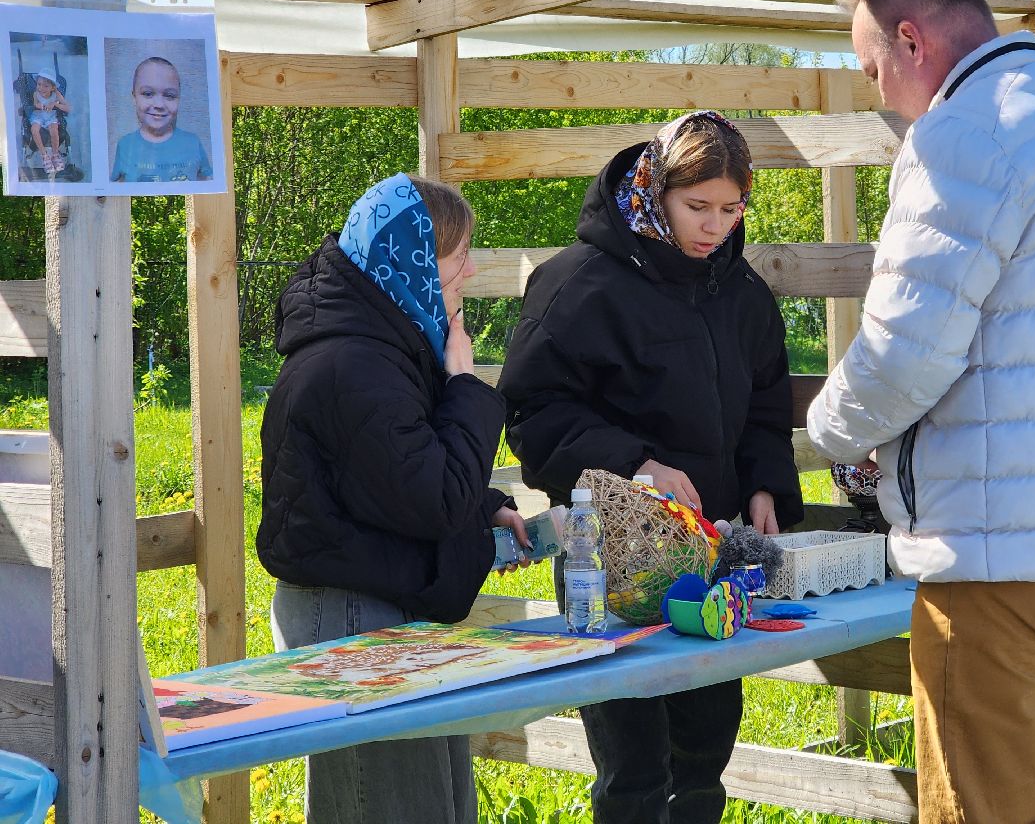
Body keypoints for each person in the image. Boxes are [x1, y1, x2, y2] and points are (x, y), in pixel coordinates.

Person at [806, 0, 1035, 824]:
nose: (878, 93)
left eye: (872, 66)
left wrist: (828, 432)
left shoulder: (962, 136)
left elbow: (902, 356)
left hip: (998, 569)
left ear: (913, 40)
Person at [499, 111, 804, 824]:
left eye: (732, 210)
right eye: (697, 207)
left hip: (711, 556)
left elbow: (764, 406)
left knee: (703, 759)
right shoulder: (577, 284)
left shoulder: (743, 292)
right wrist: (638, 464)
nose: (715, 226)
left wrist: (765, 482)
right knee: (634, 769)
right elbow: (534, 413)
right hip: (606, 565)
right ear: (655, 191)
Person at [257, 172, 525, 824]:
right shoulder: (356, 364)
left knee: (434, 804)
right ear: (408, 259)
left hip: (377, 600)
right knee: (390, 808)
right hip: (355, 616)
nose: (469, 270)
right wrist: (464, 383)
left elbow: (390, 478)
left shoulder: (376, 351)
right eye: (455, 254)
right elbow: (429, 498)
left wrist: (481, 502)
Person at [110, 55, 213, 182]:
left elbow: (208, 182)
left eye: (169, 95)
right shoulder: (125, 144)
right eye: (148, 94)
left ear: (179, 98)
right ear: (134, 97)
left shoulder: (193, 142)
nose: (159, 104)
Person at [28, 69, 69, 173]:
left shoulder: (56, 94)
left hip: (50, 116)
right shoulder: (36, 93)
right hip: (38, 116)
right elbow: (35, 104)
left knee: (54, 130)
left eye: (46, 86)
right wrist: (40, 106)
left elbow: (68, 107)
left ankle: (55, 154)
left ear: (53, 87)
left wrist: (55, 104)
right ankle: (44, 155)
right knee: (34, 130)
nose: (41, 88)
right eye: (39, 84)